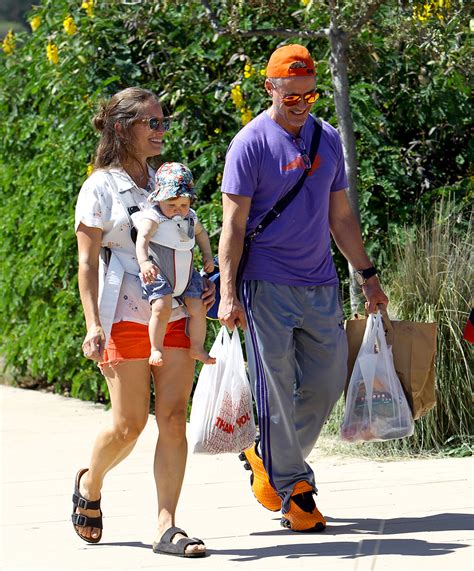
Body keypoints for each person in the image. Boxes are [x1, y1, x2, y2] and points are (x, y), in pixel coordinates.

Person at [218, 44, 389, 532]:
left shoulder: (327, 139)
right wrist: (228, 293)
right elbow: (232, 226)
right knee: (273, 389)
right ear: (270, 87)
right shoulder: (249, 144)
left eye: (308, 96)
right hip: (264, 284)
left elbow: (341, 216)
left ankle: (264, 457)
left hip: (319, 282)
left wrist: (368, 276)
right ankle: (296, 489)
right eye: (290, 95)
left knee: (327, 381)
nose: (299, 104)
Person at [72, 87, 215, 558]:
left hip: (174, 310)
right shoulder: (100, 186)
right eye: (150, 123)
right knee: (130, 424)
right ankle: (90, 484)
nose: (161, 131)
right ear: (121, 128)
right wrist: (93, 324)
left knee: (174, 417)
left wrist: (202, 281)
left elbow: (187, 235)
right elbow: (88, 263)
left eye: (162, 121)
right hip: (124, 313)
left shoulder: (166, 180)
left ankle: (166, 525)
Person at [134, 161, 216, 367]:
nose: (178, 210)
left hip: (187, 276)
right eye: (172, 205)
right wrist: (144, 263)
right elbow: (142, 239)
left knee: (199, 308)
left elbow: (201, 234)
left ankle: (197, 348)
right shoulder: (153, 217)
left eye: (184, 204)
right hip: (160, 273)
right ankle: (156, 348)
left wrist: (207, 255)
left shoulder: (190, 217)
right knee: (161, 308)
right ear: (159, 199)